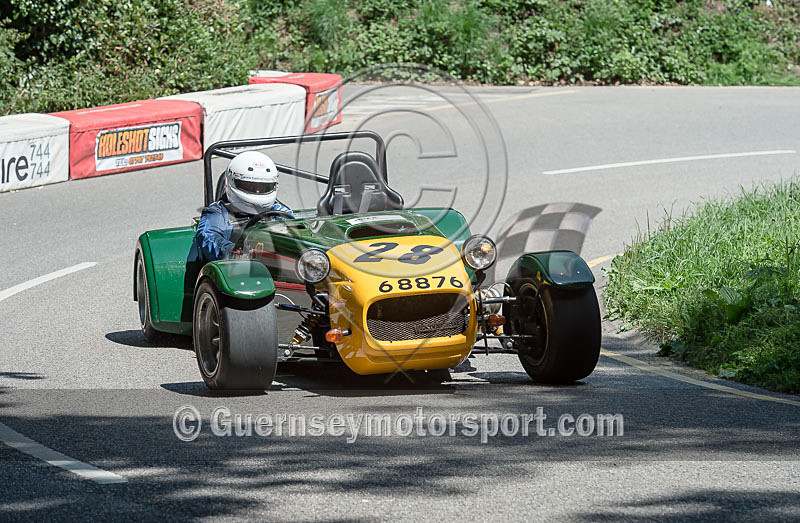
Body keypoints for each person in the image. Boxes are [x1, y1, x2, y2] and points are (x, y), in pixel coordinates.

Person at [196, 151, 294, 261]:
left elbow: (297, 231)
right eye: (250, 186)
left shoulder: (279, 211)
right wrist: (233, 251)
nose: (257, 191)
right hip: (236, 267)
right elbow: (209, 236)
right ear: (230, 182)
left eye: (263, 187)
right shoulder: (217, 212)